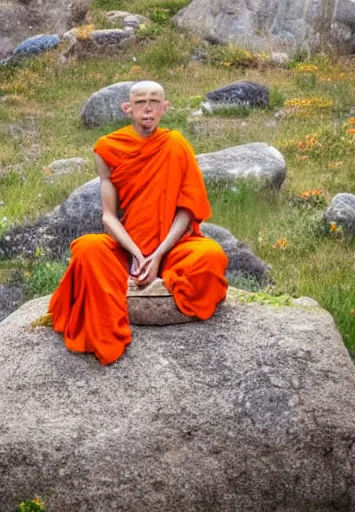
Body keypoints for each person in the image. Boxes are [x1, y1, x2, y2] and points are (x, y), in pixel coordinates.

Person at [48, 80, 229, 365]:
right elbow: (108, 216)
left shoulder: (175, 145)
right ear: (127, 109)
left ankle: (139, 282)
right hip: (126, 248)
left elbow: (187, 209)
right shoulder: (108, 148)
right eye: (141, 102)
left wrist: (156, 256)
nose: (148, 108)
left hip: (172, 246)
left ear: (165, 108)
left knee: (211, 256)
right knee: (87, 248)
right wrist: (137, 254)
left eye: (155, 102)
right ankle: (121, 302)